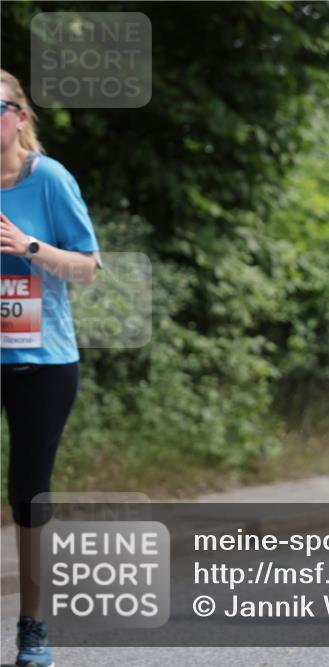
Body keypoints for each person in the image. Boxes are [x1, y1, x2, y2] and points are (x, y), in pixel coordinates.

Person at [1, 69, 101, 667]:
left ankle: (33, 627)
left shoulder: (49, 179)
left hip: (42, 362)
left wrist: (29, 247)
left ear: (19, 116)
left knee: (28, 496)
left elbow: (89, 266)